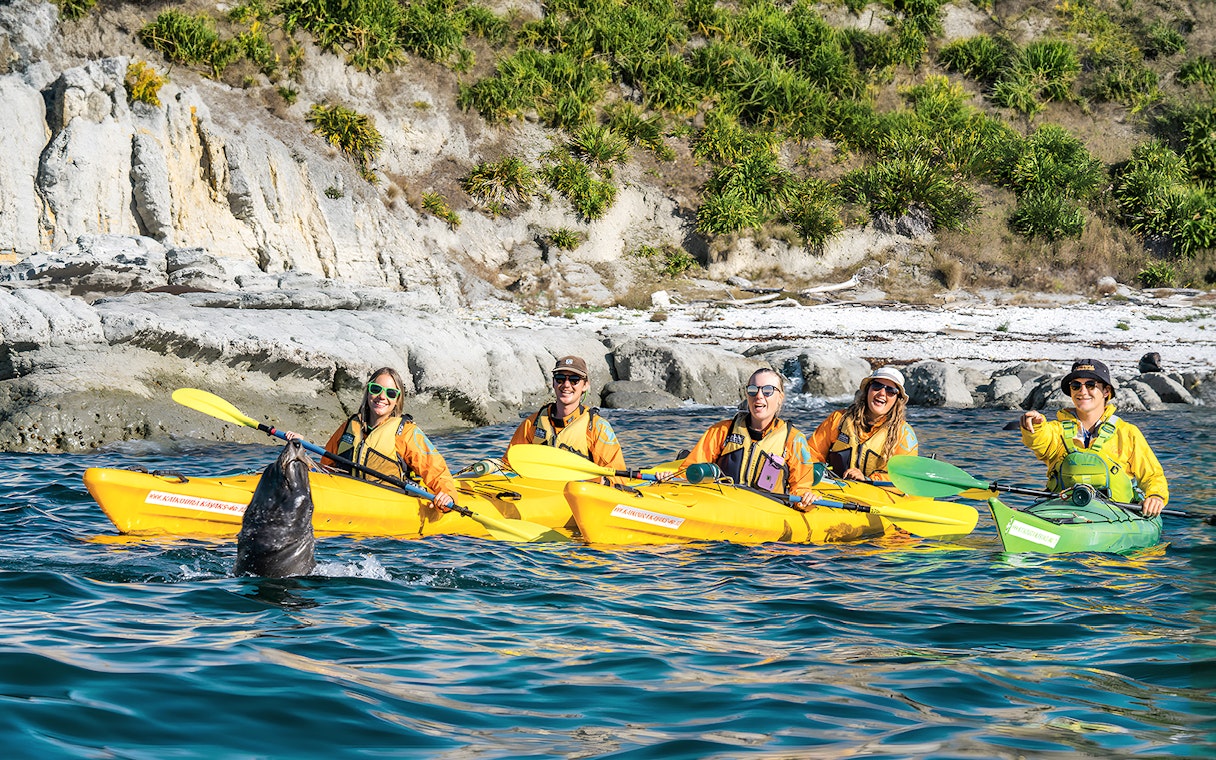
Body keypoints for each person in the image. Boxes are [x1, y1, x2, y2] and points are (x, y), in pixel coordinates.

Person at [289, 367, 457, 511]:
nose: (382, 397)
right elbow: (325, 470)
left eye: (390, 393)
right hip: (347, 499)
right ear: (368, 392)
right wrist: (300, 451)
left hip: (389, 505)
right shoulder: (348, 427)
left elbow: (437, 471)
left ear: (398, 399)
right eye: (376, 389)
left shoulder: (406, 432)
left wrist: (447, 496)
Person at [1019, 359, 1168, 517]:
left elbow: (1152, 475)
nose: (1082, 391)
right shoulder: (1055, 430)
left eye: (1090, 385)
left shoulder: (1128, 432)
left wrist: (1155, 496)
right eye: (1076, 386)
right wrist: (1035, 426)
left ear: (1106, 391)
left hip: (1117, 516)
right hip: (1062, 513)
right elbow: (1038, 441)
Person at [679, 368, 817, 504]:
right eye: (753, 390)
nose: (759, 396)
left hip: (768, 513)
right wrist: (672, 479)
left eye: (768, 390)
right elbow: (689, 471)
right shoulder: (722, 431)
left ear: (780, 397)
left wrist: (805, 499)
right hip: (724, 505)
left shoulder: (794, 439)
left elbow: (801, 489)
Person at [508, 355, 627, 473]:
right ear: (553, 383)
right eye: (560, 378)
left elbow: (617, 474)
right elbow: (508, 464)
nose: (566, 385)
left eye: (574, 380)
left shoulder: (597, 428)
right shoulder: (531, 424)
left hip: (580, 489)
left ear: (585, 385)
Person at [808, 367, 918, 482]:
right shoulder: (838, 419)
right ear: (867, 390)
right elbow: (812, 454)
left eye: (891, 391)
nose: (882, 393)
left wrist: (867, 479)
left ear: (897, 399)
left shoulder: (904, 434)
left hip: (877, 494)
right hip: (834, 489)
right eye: (877, 386)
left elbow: (903, 477)